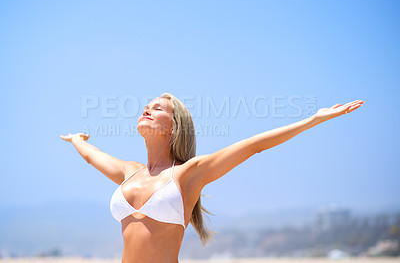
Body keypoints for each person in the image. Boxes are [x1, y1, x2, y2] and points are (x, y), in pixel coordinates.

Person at [60, 93, 364, 263]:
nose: (147, 109)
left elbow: (254, 145)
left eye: (158, 108)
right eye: (146, 106)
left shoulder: (188, 174)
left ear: (174, 127)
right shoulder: (129, 172)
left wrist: (313, 119)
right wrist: (77, 139)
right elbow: (90, 155)